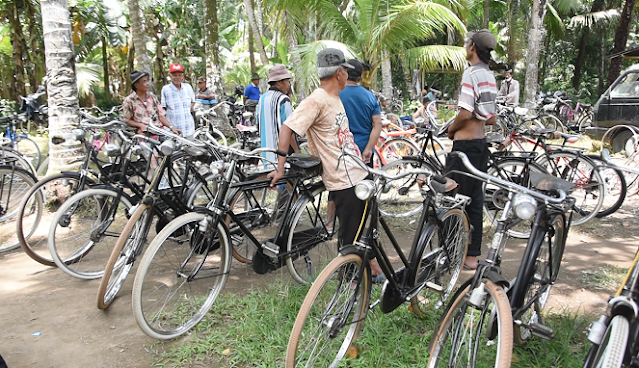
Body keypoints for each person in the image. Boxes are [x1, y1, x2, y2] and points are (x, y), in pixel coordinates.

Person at [267, 48, 384, 280]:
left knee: (369, 226)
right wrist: (280, 168)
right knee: (350, 239)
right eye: (346, 72)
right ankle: (349, 288)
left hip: (359, 172)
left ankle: (374, 268)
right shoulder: (316, 100)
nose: (347, 77)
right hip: (343, 181)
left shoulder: (335, 98)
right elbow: (287, 127)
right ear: (340, 73)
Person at [445, 29, 498, 270]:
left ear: (473, 48)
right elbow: (491, 118)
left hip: (464, 147)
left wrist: (451, 129)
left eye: (467, 44)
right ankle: (471, 256)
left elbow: (465, 113)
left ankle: (448, 255)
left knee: (453, 200)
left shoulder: (471, 74)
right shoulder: (489, 75)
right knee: (475, 201)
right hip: (480, 146)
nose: (466, 47)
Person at [339, 59, 382, 167]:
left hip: (343, 150)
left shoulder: (336, 95)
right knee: (366, 183)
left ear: (345, 73)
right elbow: (378, 124)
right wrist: (368, 148)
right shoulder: (369, 96)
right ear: (360, 77)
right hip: (365, 151)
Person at [122, 70, 182, 136]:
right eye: (144, 81)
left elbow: (161, 115)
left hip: (159, 131)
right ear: (136, 85)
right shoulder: (129, 101)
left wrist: (171, 127)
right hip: (143, 135)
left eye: (148, 81)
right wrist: (140, 125)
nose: (148, 83)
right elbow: (127, 120)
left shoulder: (152, 97)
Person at [257, 64, 296, 163]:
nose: (288, 84)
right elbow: (288, 129)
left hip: (266, 155)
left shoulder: (262, 98)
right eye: (287, 81)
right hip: (282, 155)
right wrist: (297, 151)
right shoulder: (283, 99)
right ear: (279, 83)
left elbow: (258, 124)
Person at [161, 63, 196, 139]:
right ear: (170, 75)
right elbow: (162, 110)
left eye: (179, 75)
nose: (177, 77)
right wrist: (170, 126)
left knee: (190, 150)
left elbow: (193, 101)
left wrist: (188, 110)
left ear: (182, 76)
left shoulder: (188, 87)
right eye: (175, 75)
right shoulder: (166, 89)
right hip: (174, 131)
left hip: (189, 129)